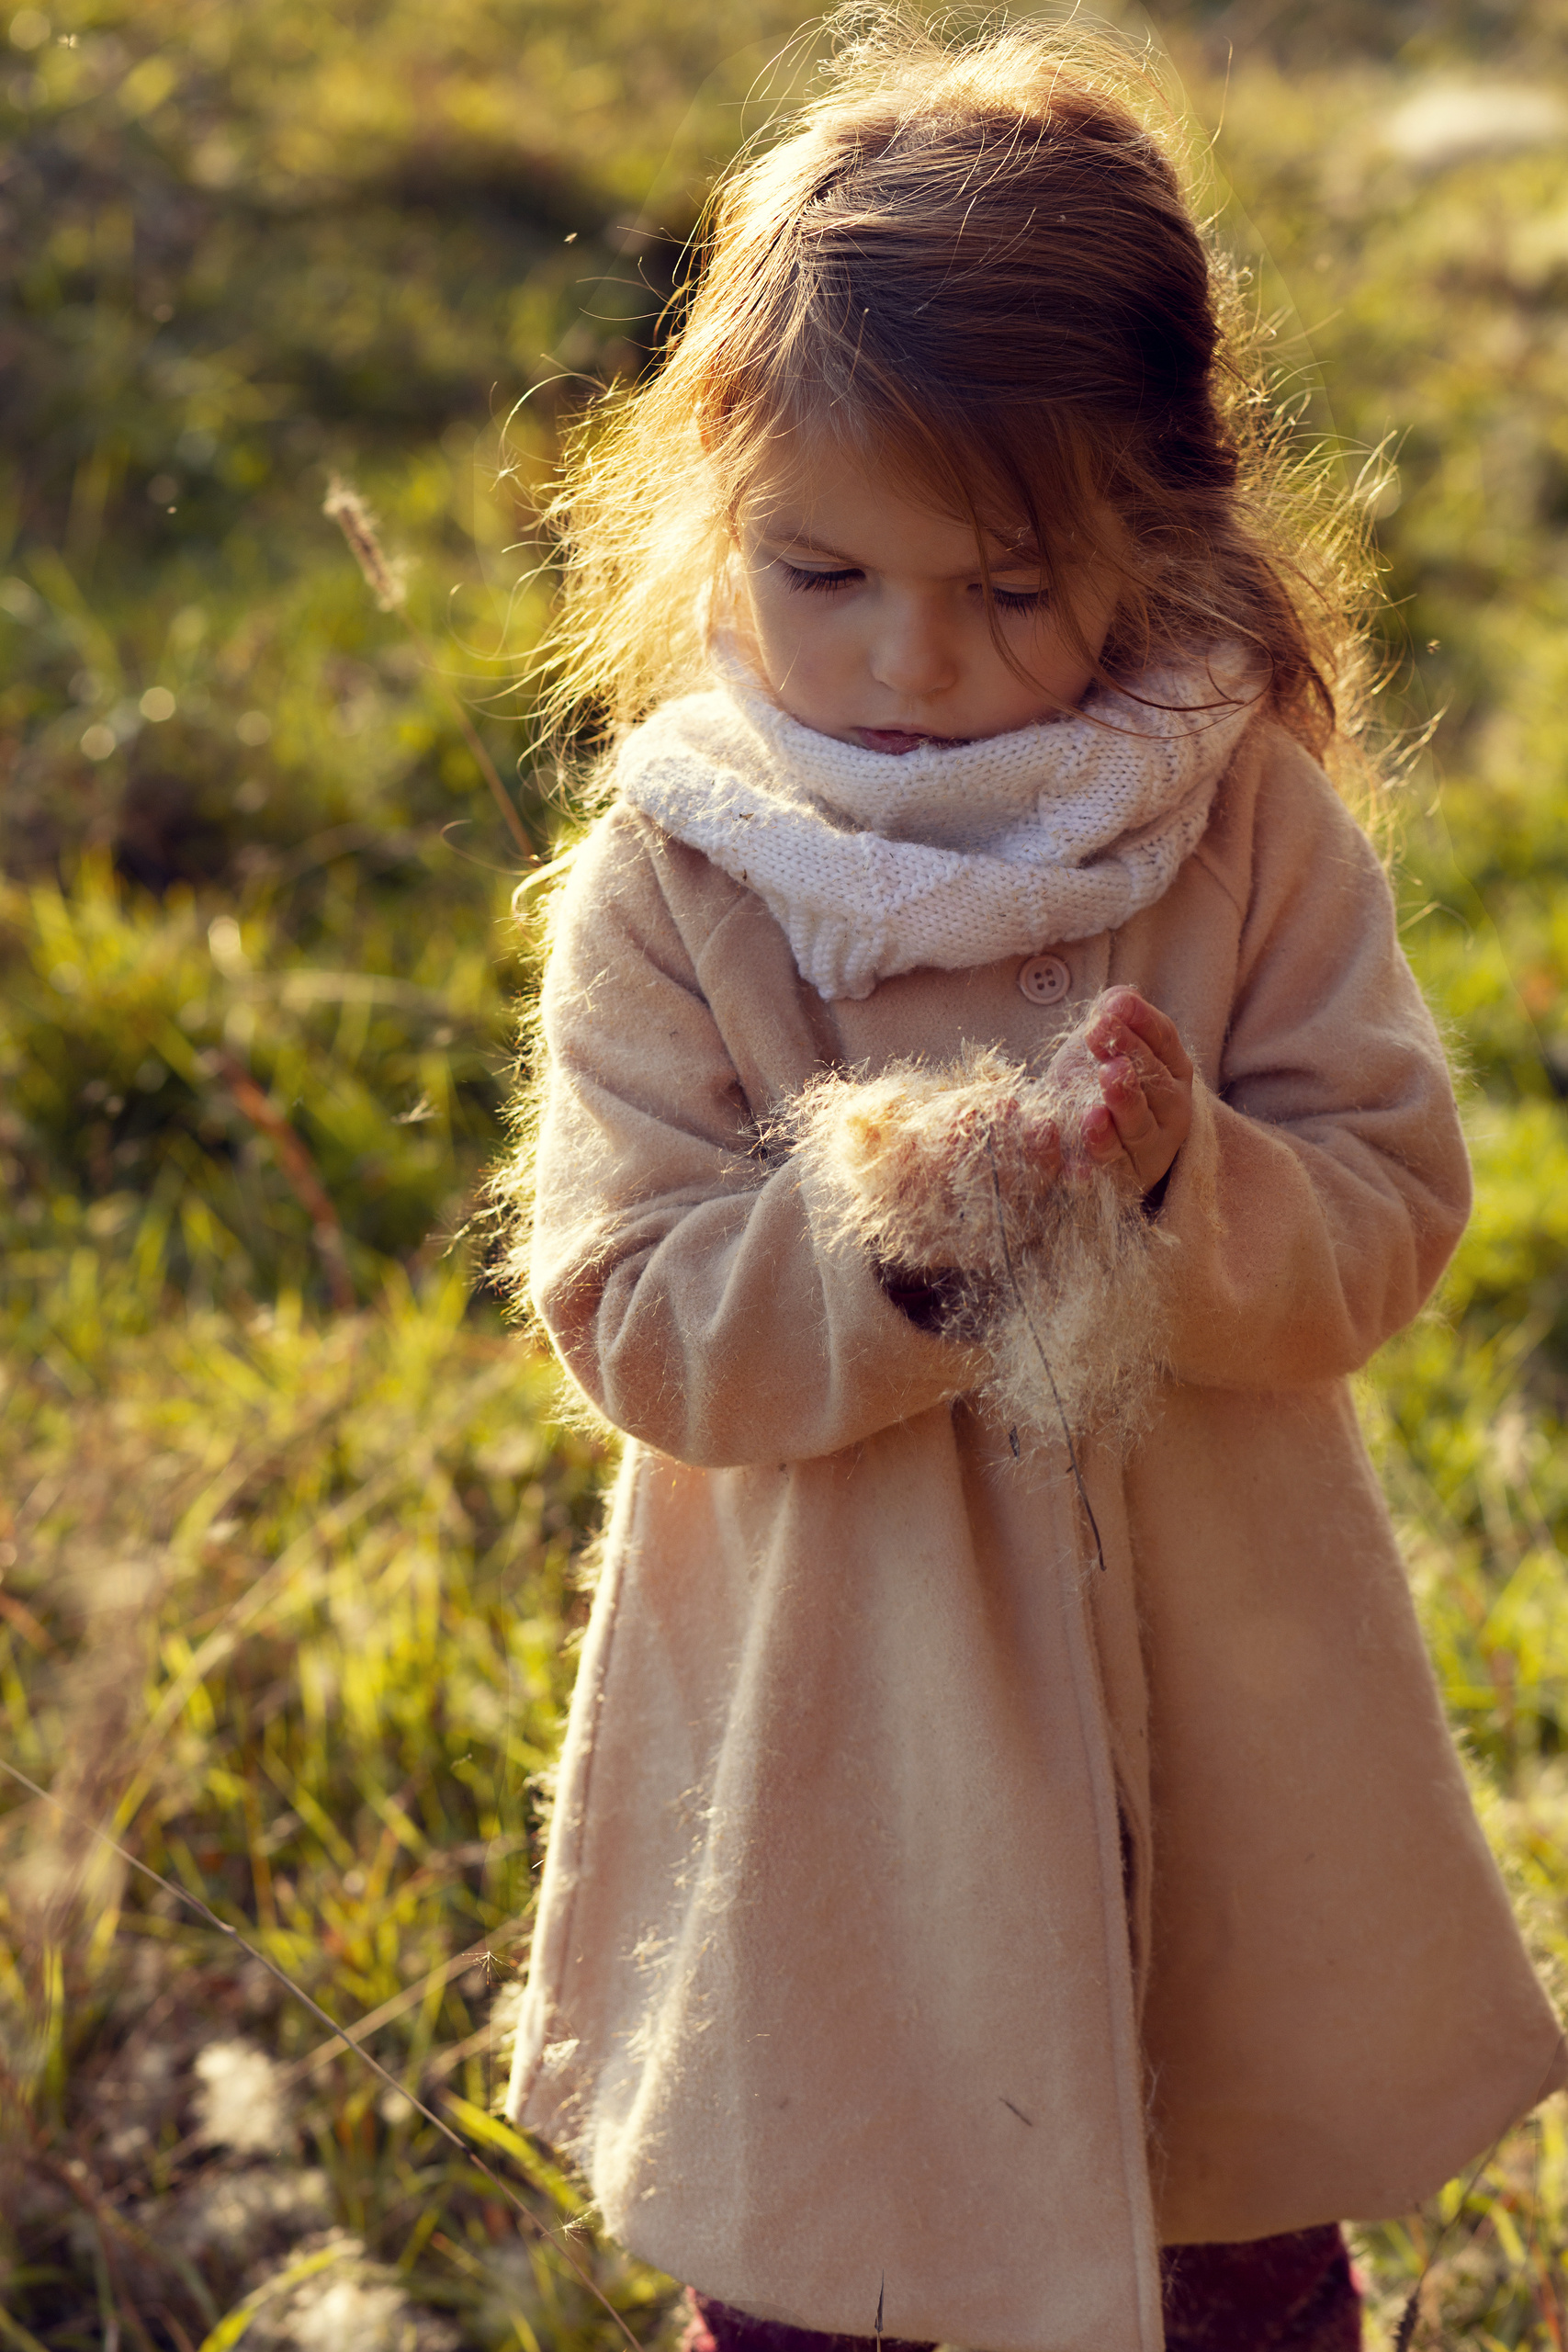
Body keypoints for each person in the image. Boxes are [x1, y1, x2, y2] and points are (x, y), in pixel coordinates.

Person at [496, 17, 1564, 2351]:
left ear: (1149, 536)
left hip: (1212, 1723)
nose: (906, 661)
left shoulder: (1233, 820)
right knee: (829, 2271)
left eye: (1003, 586)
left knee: (1231, 2268)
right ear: (711, 514)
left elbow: (1380, 1200)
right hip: (838, 1761)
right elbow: (630, 1308)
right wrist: (871, 1233)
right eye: (824, 572)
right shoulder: (680, 881)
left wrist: (1187, 1178)